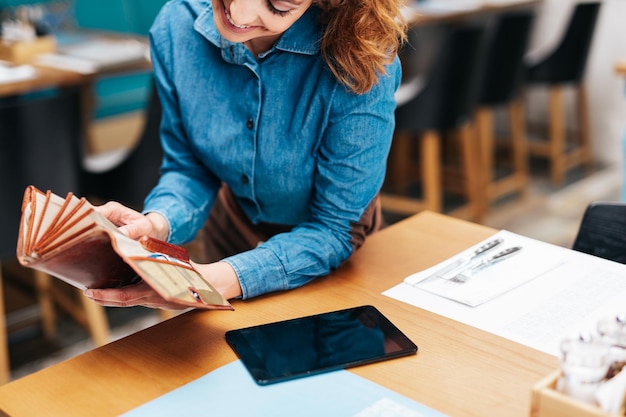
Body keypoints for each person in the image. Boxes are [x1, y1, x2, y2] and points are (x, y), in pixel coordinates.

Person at [84, 0, 407, 309]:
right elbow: (191, 167)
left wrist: (221, 279)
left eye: (278, 4)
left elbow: (333, 228)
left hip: (334, 252)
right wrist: (157, 223)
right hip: (229, 233)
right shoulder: (177, 27)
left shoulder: (363, 59)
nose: (238, 12)